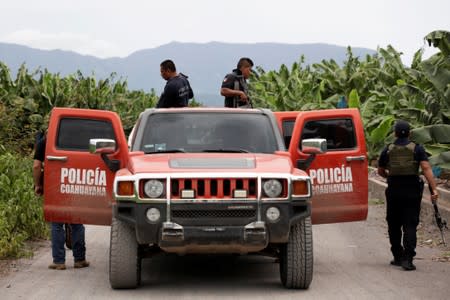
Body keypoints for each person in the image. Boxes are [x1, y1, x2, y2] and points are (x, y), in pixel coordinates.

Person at [377, 120, 439, 271]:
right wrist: (434, 189)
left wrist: (389, 177)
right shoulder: (417, 148)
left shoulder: (388, 149)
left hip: (394, 191)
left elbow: (380, 170)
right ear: (410, 133)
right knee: (410, 225)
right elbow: (425, 167)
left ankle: (397, 256)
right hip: (412, 191)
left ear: (394, 133)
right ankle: (408, 259)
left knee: (393, 224)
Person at [33, 132, 90, 270]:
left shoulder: (45, 141)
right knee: (76, 222)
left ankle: (59, 261)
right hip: (74, 182)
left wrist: (38, 185)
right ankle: (79, 260)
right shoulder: (78, 138)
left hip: (54, 184)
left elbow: (36, 166)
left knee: (57, 223)